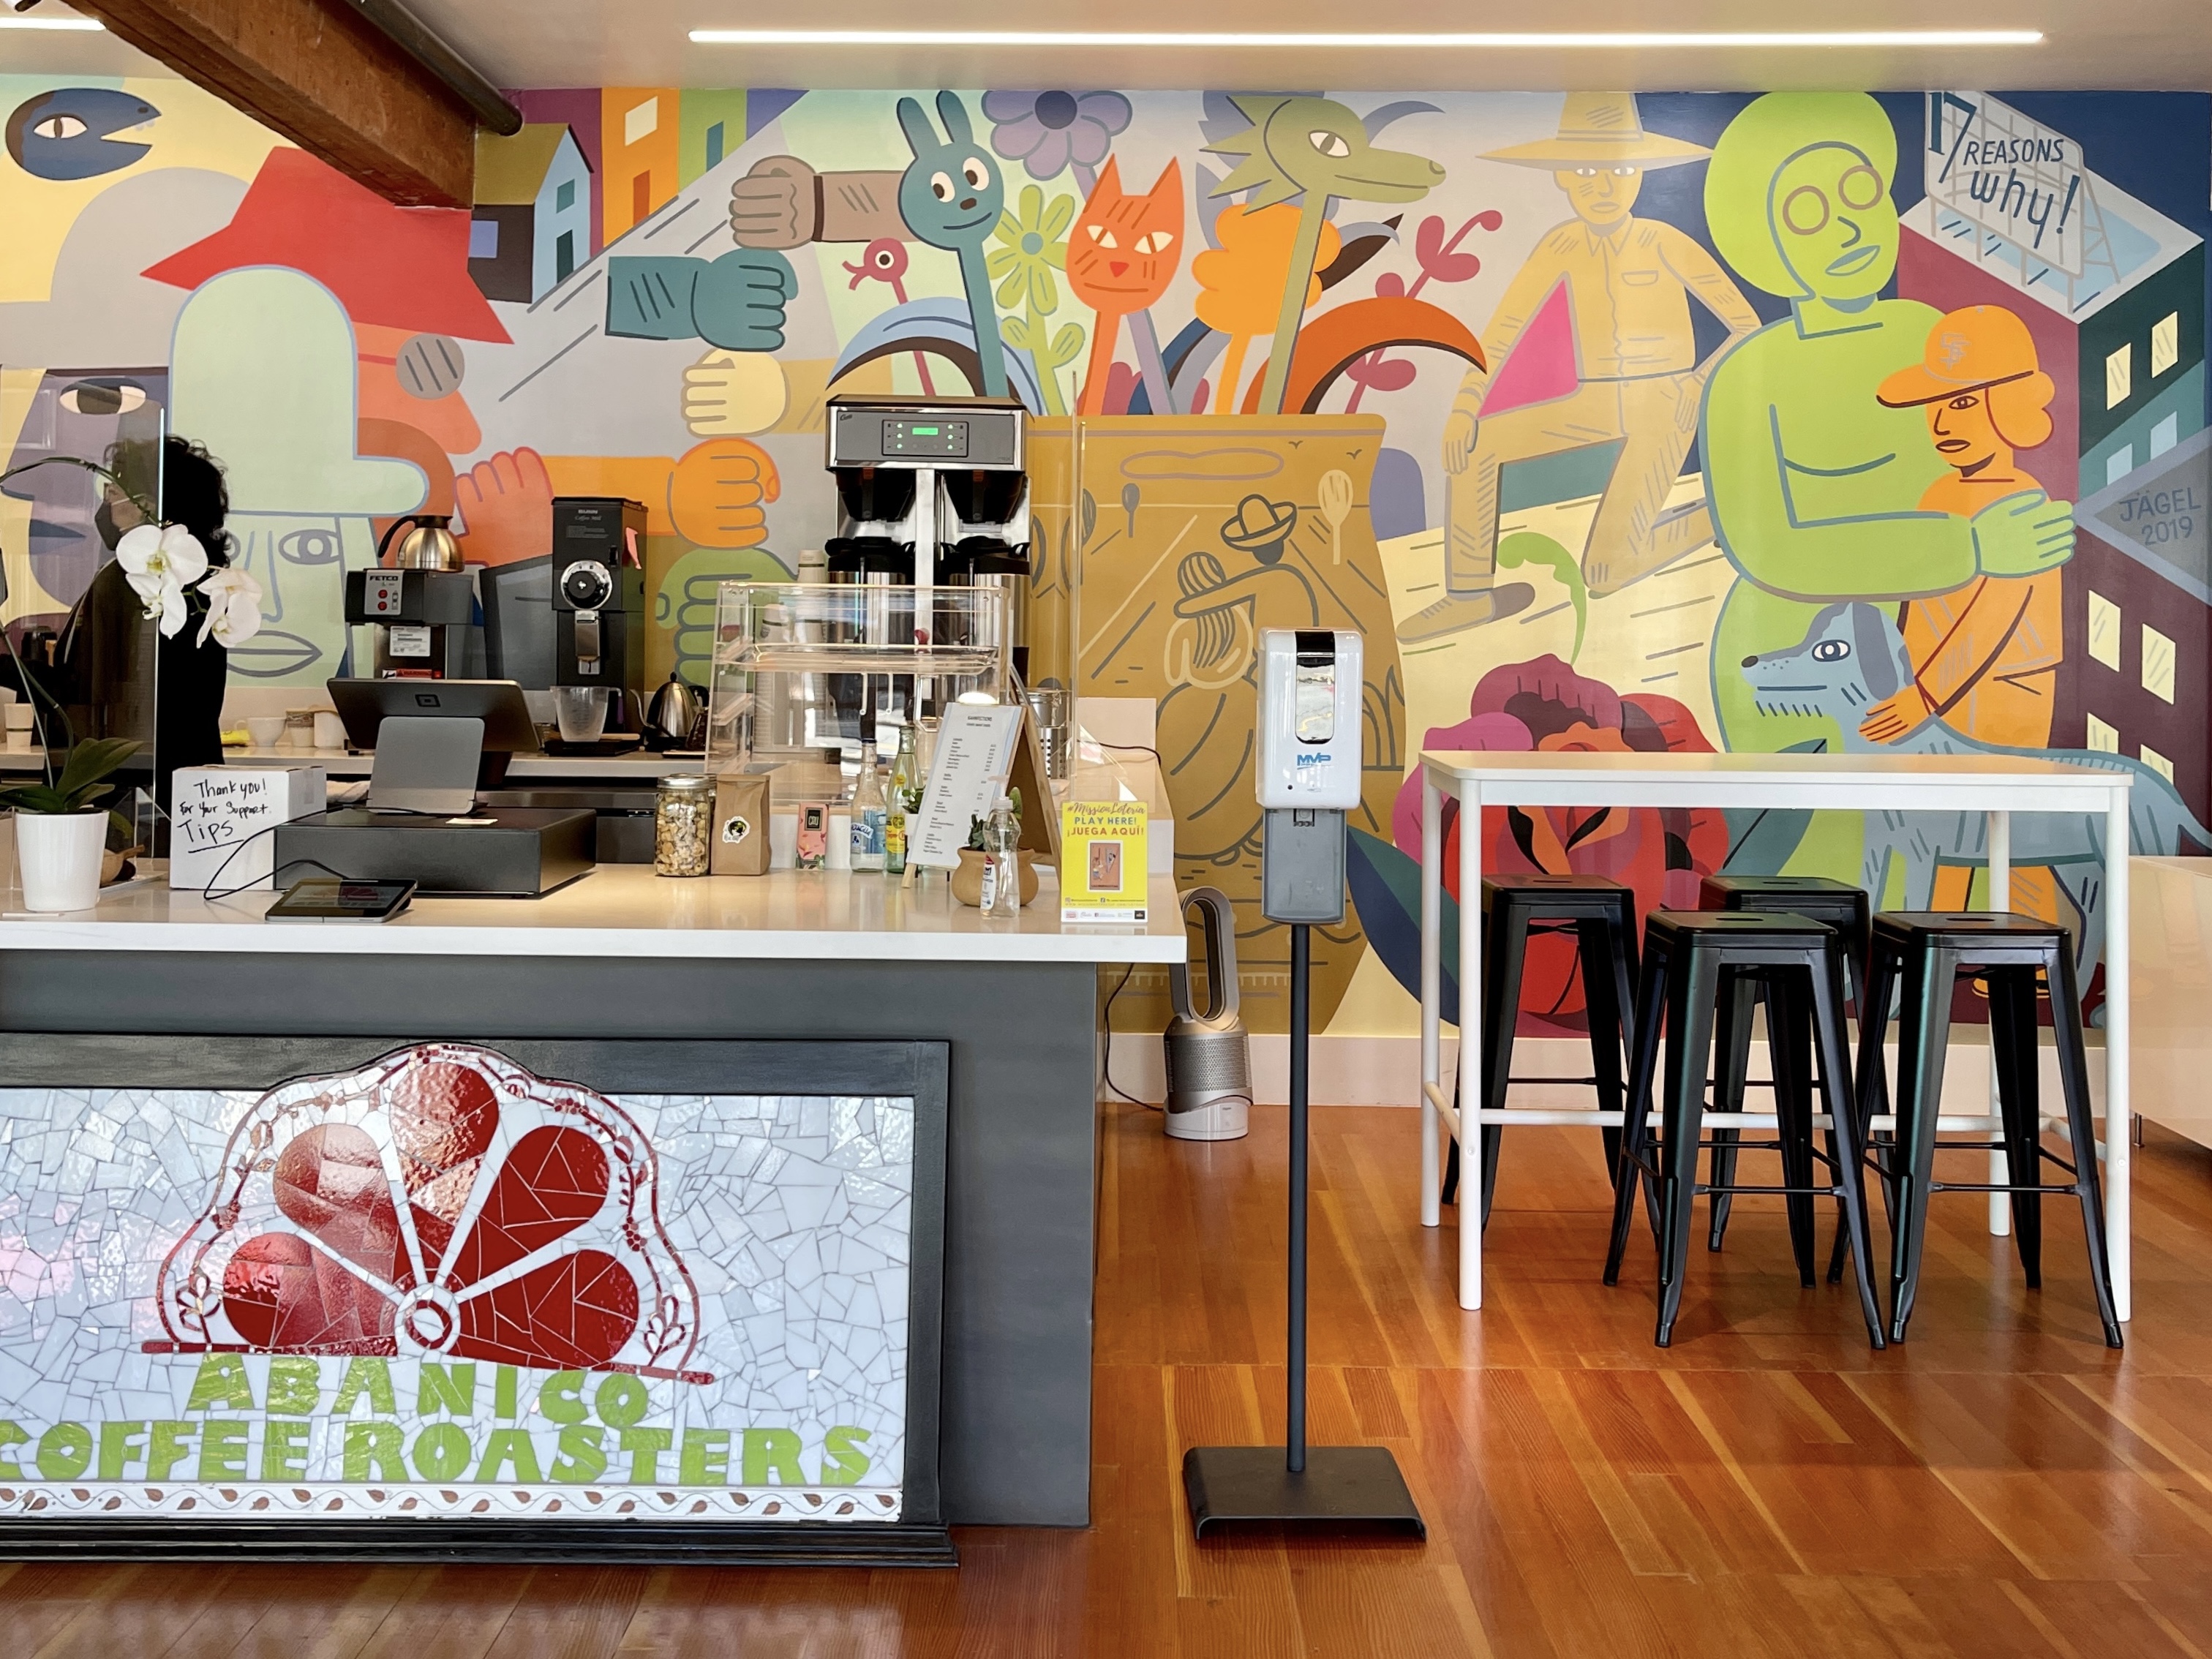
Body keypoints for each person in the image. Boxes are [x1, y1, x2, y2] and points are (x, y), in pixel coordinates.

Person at [1401, 93, 1760, 642]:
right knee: (1475, 445)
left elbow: (1745, 326)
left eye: (1619, 170)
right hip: (1591, 399)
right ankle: (1469, 596)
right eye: (1587, 172)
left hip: (1662, 402)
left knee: (1606, 573)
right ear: (1563, 178)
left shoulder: (1663, 241)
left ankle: (1718, 516)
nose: (1603, 186)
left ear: (1639, 176)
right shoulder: (1561, 244)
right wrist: (1465, 409)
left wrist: (1697, 383)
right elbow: (1501, 332)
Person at [1867, 306, 2064, 750]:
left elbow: (1994, 616)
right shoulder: (1937, 493)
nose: (1940, 424)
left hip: (2003, 684)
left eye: (1961, 402)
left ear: (2010, 401)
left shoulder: (2024, 500)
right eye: (1932, 404)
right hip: (1922, 682)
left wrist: (1926, 696)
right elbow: (1917, 597)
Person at [59, 434, 233, 804]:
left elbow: (104, 687)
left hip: (136, 784)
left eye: (116, 485)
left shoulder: (149, 579)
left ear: (148, 504)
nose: (108, 496)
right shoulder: (204, 580)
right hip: (173, 780)